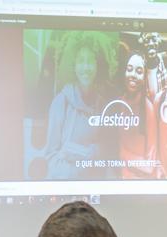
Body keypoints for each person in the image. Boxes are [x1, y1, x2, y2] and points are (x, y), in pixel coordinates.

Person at [44, 32, 118, 180]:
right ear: (74, 65)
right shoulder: (61, 102)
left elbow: (105, 150)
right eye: (81, 61)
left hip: (94, 189)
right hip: (65, 186)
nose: (86, 67)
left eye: (90, 61)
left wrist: (95, 152)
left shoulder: (103, 105)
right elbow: (51, 156)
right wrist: (79, 169)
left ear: (98, 65)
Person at [119, 52, 157, 179]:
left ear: (145, 76)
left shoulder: (148, 108)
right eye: (129, 69)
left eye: (139, 71)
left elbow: (150, 166)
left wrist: (119, 152)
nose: (133, 75)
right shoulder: (117, 103)